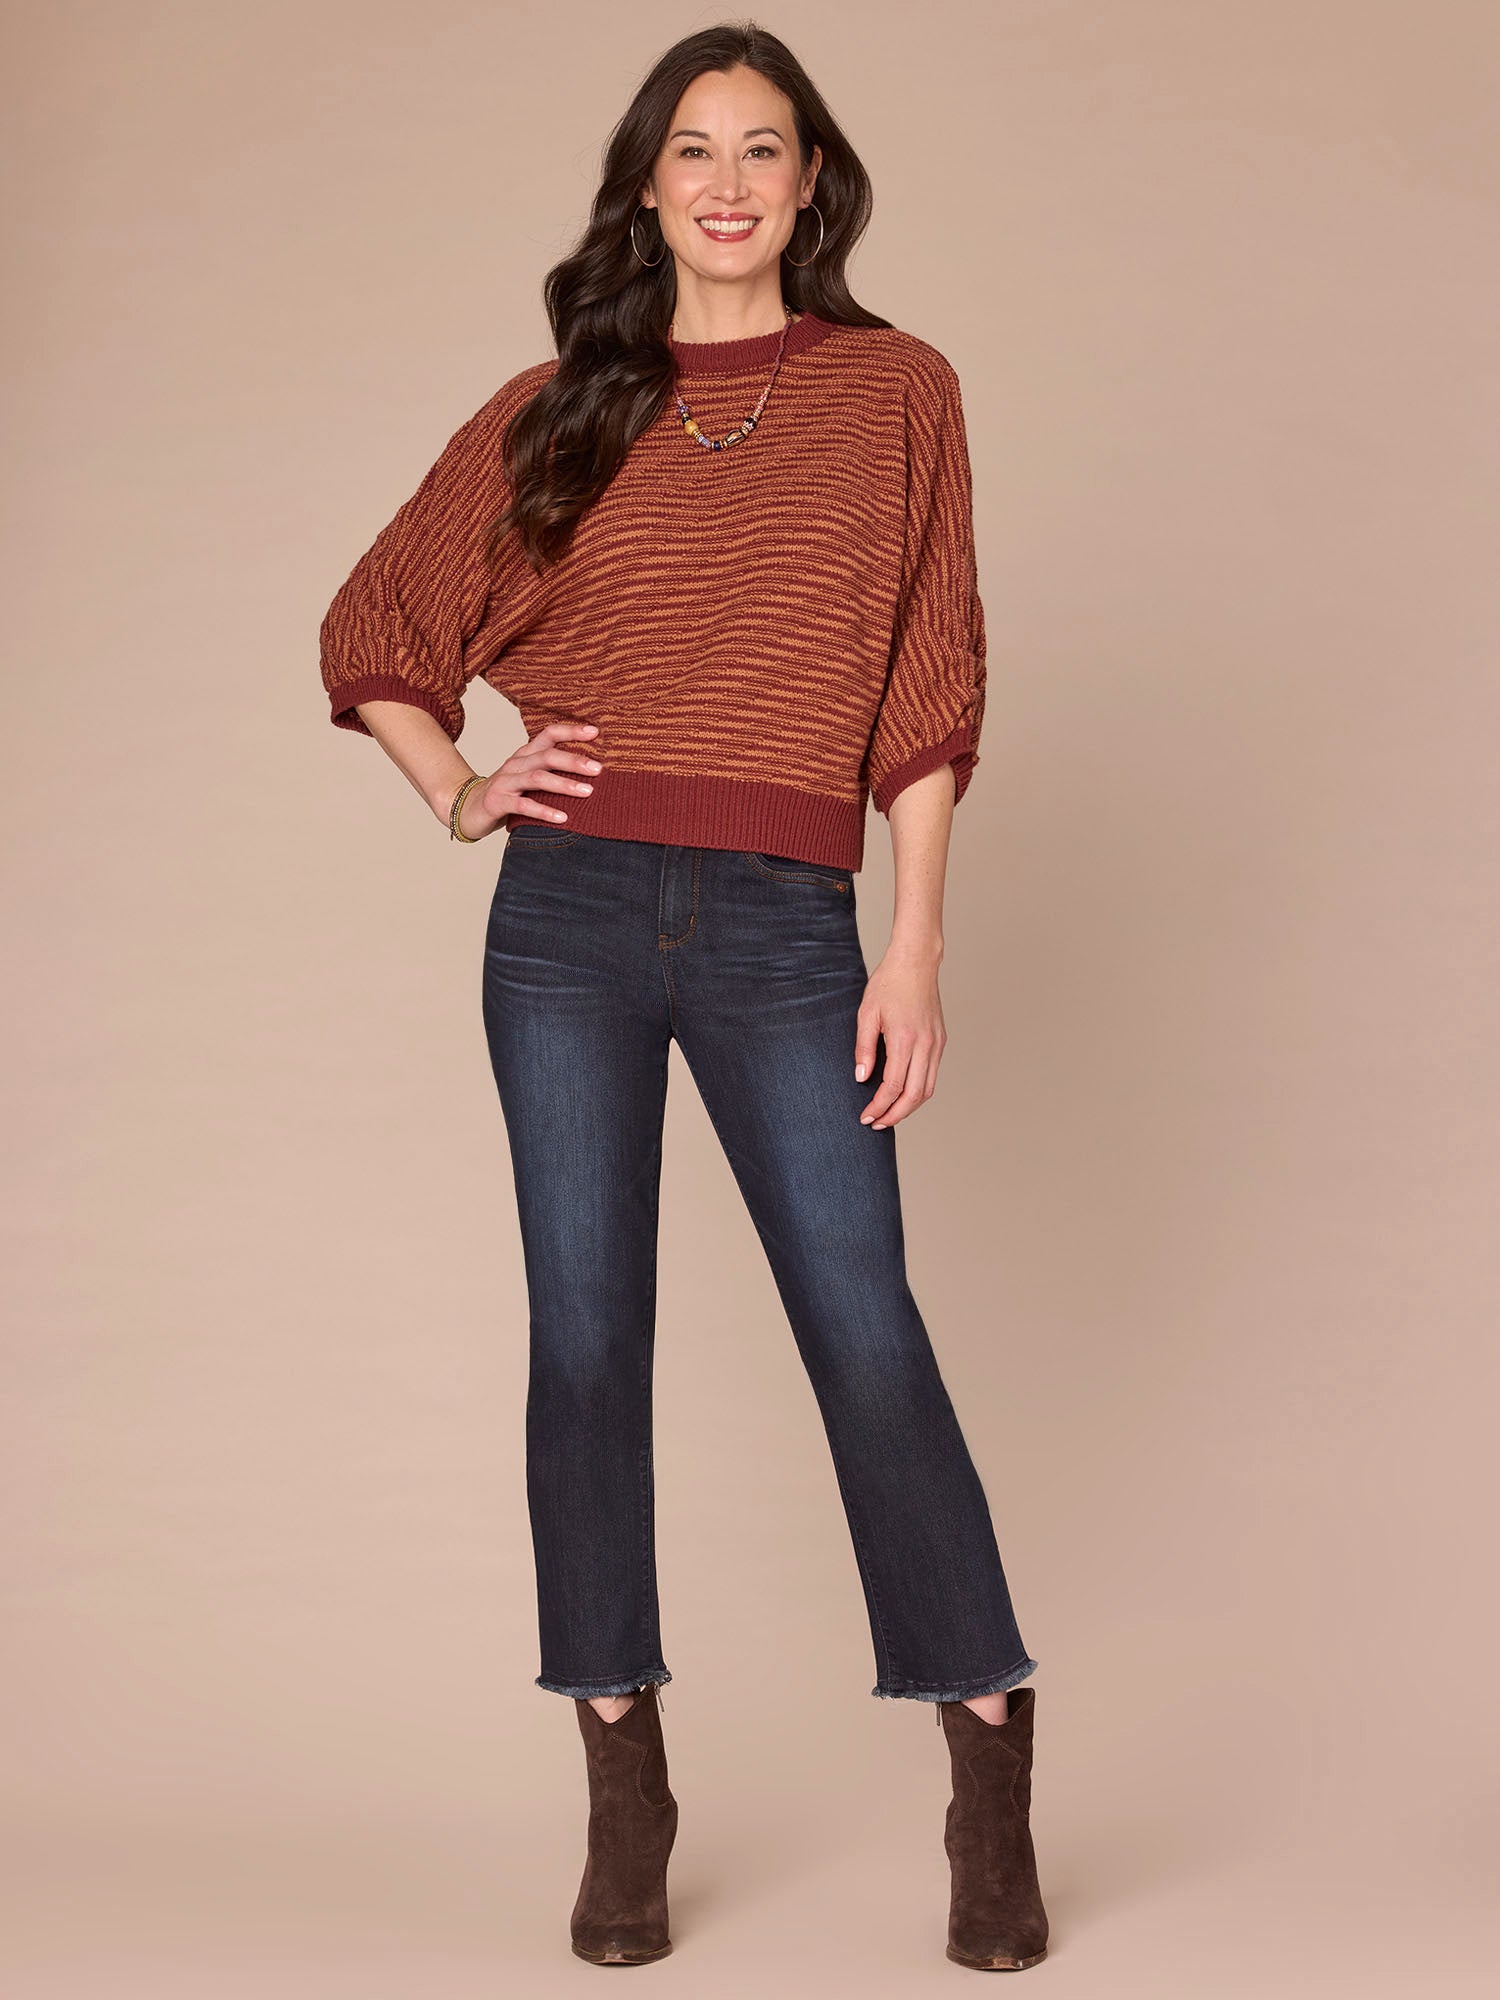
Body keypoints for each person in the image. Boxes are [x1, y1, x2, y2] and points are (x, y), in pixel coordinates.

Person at [318, 22, 1048, 1975]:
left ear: (812, 183)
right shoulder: (555, 407)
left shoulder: (898, 393)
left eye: (765, 148)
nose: (730, 183)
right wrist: (462, 789)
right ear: (648, 188)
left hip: (788, 920)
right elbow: (378, 627)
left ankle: (988, 1750)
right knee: (585, 1340)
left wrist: (914, 942)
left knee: (862, 1328)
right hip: (563, 916)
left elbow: (929, 678)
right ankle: (621, 1771)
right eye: (696, 150)